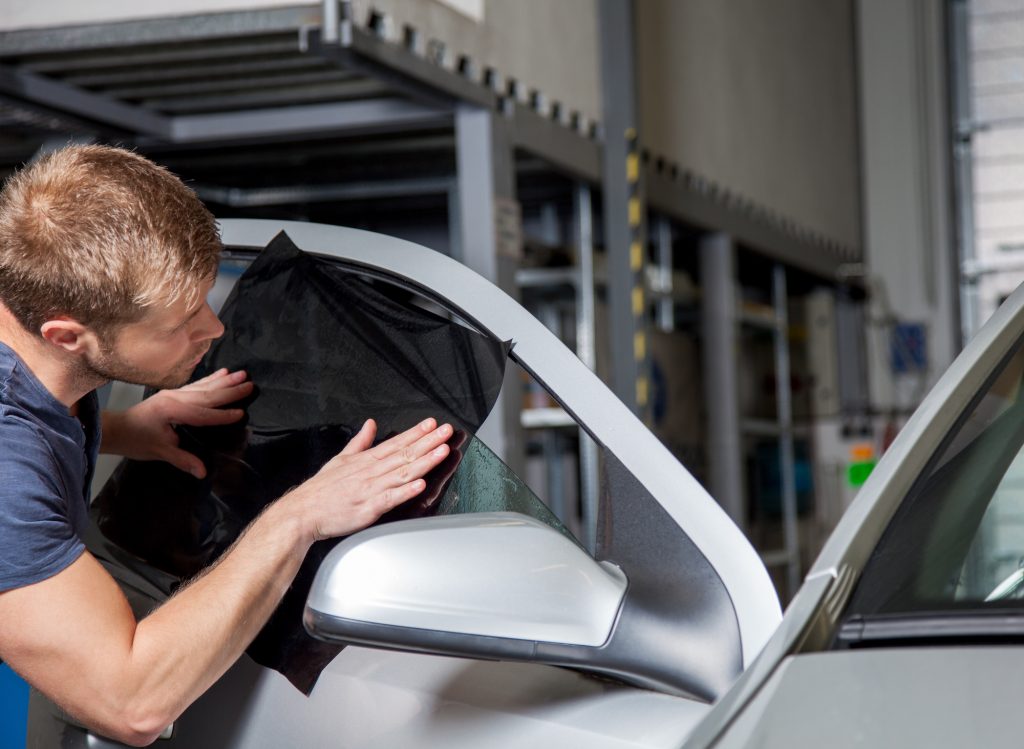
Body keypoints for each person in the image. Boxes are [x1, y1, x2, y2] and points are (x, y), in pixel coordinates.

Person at [0, 144, 452, 746]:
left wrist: (125, 430)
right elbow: (132, 703)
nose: (212, 330)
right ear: (68, 335)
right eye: (180, 323)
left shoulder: (35, 330)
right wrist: (299, 514)